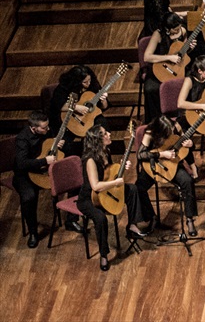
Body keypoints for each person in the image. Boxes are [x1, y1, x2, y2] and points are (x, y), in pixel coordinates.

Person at [77, 125, 154, 271]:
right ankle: (104, 255)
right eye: (105, 133)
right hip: (89, 198)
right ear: (98, 140)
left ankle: (132, 225)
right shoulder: (90, 160)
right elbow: (95, 186)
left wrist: (121, 167)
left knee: (132, 189)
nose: (109, 133)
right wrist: (116, 182)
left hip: (106, 192)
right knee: (100, 218)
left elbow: (108, 172)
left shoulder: (105, 151)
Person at [13, 111, 69, 248]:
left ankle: (71, 221)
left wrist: (57, 145)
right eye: (44, 128)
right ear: (34, 128)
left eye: (48, 126)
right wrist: (45, 160)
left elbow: (50, 145)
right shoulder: (22, 139)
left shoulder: (47, 131)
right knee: (29, 197)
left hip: (45, 171)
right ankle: (33, 232)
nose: (48, 129)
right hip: (25, 174)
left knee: (72, 181)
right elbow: (22, 163)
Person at [136, 115, 198, 236]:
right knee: (138, 187)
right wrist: (162, 154)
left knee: (187, 181)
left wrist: (191, 144)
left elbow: (187, 145)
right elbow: (140, 155)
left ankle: (190, 219)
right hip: (154, 164)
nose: (171, 132)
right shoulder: (150, 133)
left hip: (173, 164)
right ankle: (152, 217)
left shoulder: (177, 126)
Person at [142, 12, 205, 126]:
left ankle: (184, 121)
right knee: (150, 89)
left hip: (178, 70)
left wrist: (189, 49)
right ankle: (156, 123)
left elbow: (183, 56)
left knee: (188, 84)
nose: (178, 31)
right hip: (161, 68)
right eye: (175, 29)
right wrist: (169, 57)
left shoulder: (183, 31)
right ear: (167, 28)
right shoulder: (158, 35)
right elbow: (147, 56)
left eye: (179, 28)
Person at [47, 64, 103, 157]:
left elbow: (103, 106)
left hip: (87, 118)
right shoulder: (63, 88)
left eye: (89, 80)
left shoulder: (92, 84)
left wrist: (104, 99)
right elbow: (57, 105)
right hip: (65, 121)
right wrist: (76, 107)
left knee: (102, 130)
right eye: (85, 82)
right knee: (65, 144)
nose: (88, 83)